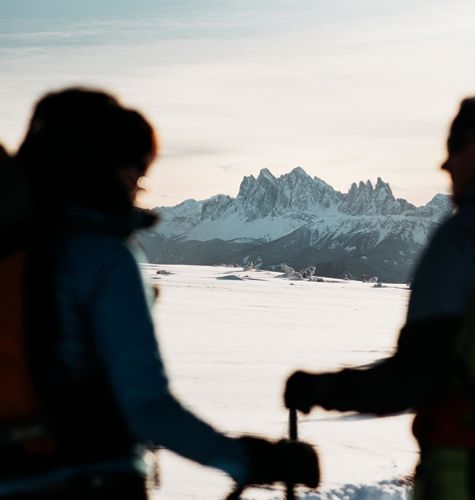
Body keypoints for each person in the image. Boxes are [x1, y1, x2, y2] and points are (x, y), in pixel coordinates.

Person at [0, 87, 319, 499]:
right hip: (89, 479)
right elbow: (145, 406)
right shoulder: (100, 256)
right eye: (135, 171)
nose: (137, 186)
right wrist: (249, 458)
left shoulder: (11, 247)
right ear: (103, 166)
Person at [284, 91, 475, 499]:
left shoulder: (471, 234)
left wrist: (323, 390)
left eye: (455, 146)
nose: (445, 163)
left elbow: (419, 374)